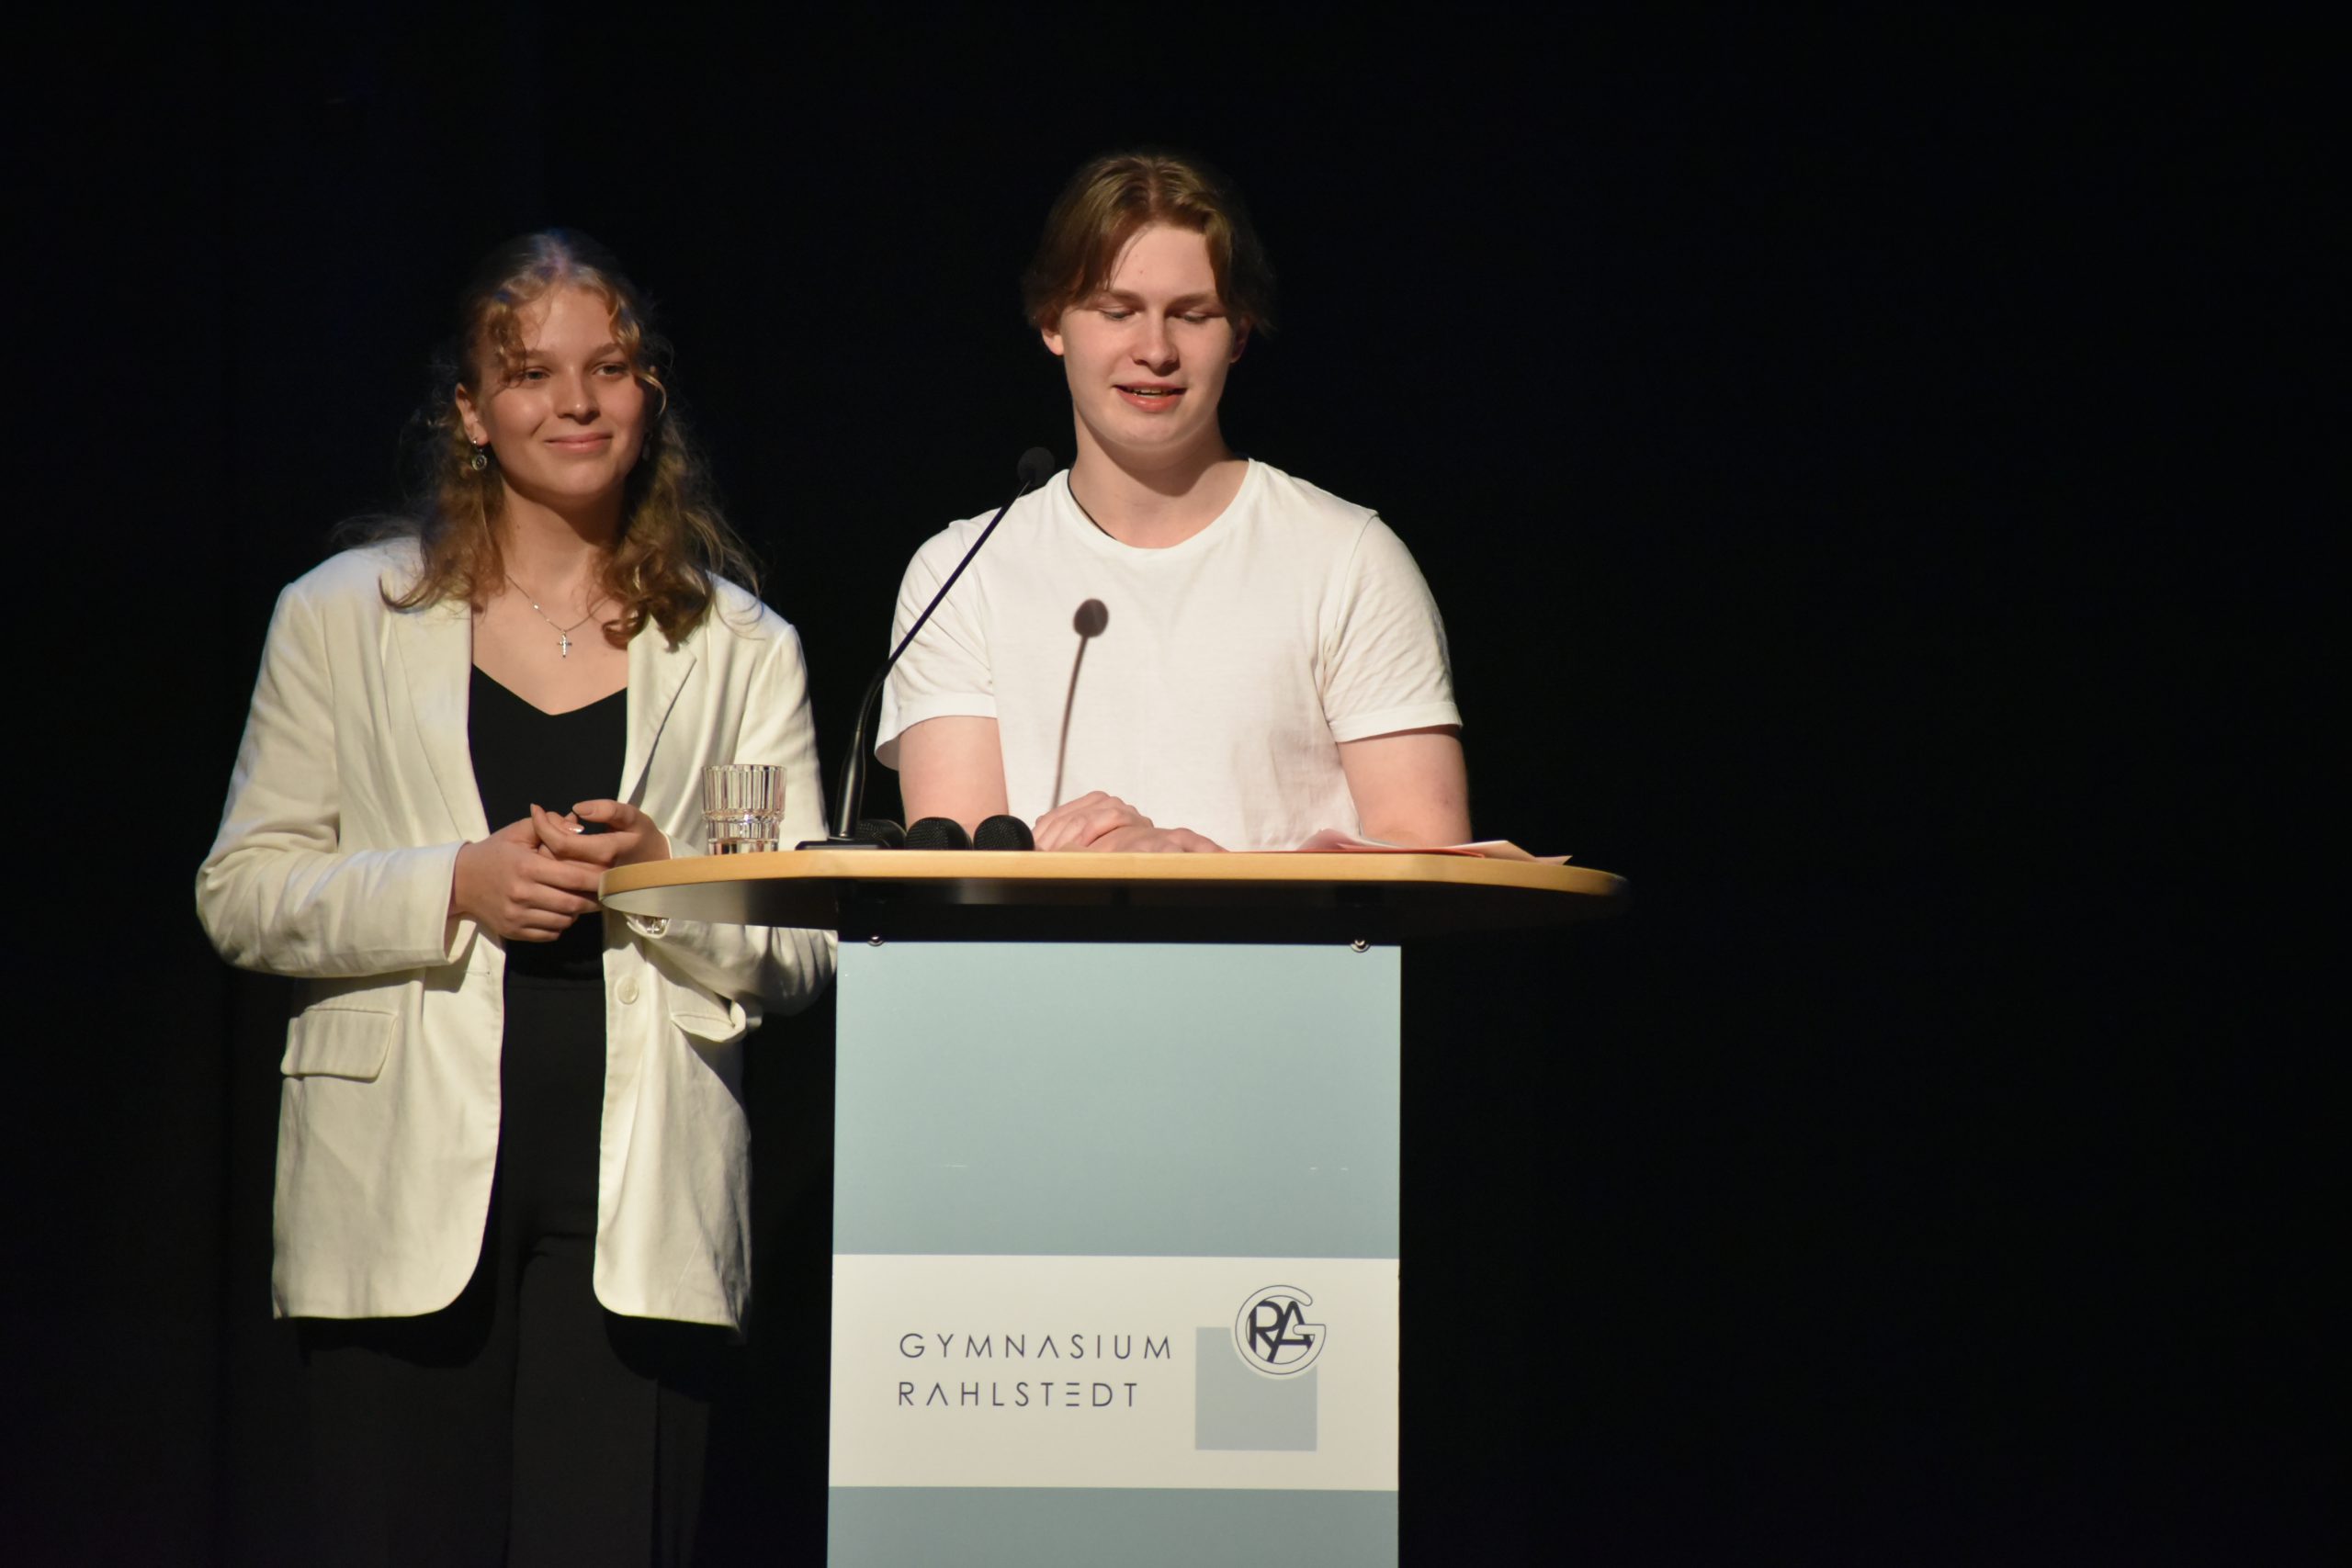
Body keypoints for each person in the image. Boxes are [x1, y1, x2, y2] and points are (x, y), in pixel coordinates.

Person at [196, 231, 831, 1568]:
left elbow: (802, 949)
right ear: (472, 413)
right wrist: (456, 883)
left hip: (641, 1203)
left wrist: (664, 881)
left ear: (649, 393)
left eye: (609, 369)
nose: (577, 403)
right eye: (532, 374)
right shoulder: (342, 615)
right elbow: (242, 892)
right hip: (397, 1186)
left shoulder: (740, 647)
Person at [878, 150, 1471, 852]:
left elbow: (1428, 860)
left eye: (1192, 315)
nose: (1155, 350)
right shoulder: (961, 573)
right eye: (1118, 311)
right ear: (1052, 322)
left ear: (1239, 334)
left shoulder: (1349, 557)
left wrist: (1205, 870)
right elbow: (956, 878)